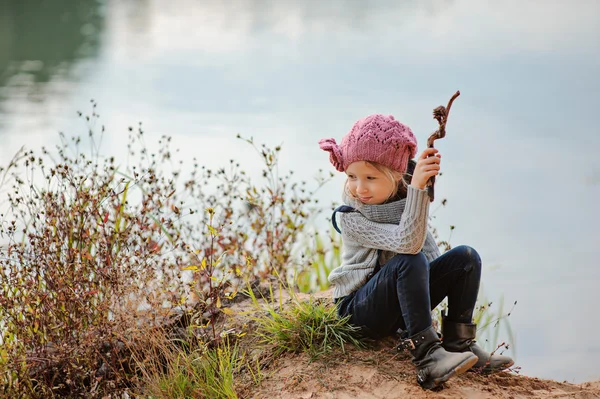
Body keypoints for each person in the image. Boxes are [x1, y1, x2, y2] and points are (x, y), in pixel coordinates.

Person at [318, 114, 513, 390]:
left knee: (466, 258)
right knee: (408, 259)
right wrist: (418, 190)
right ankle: (428, 356)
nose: (359, 187)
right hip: (358, 312)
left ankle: (459, 344)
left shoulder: (403, 204)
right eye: (352, 176)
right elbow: (408, 246)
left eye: (370, 178)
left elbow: (428, 257)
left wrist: (419, 191)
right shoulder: (351, 217)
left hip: (395, 306)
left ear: (397, 175)